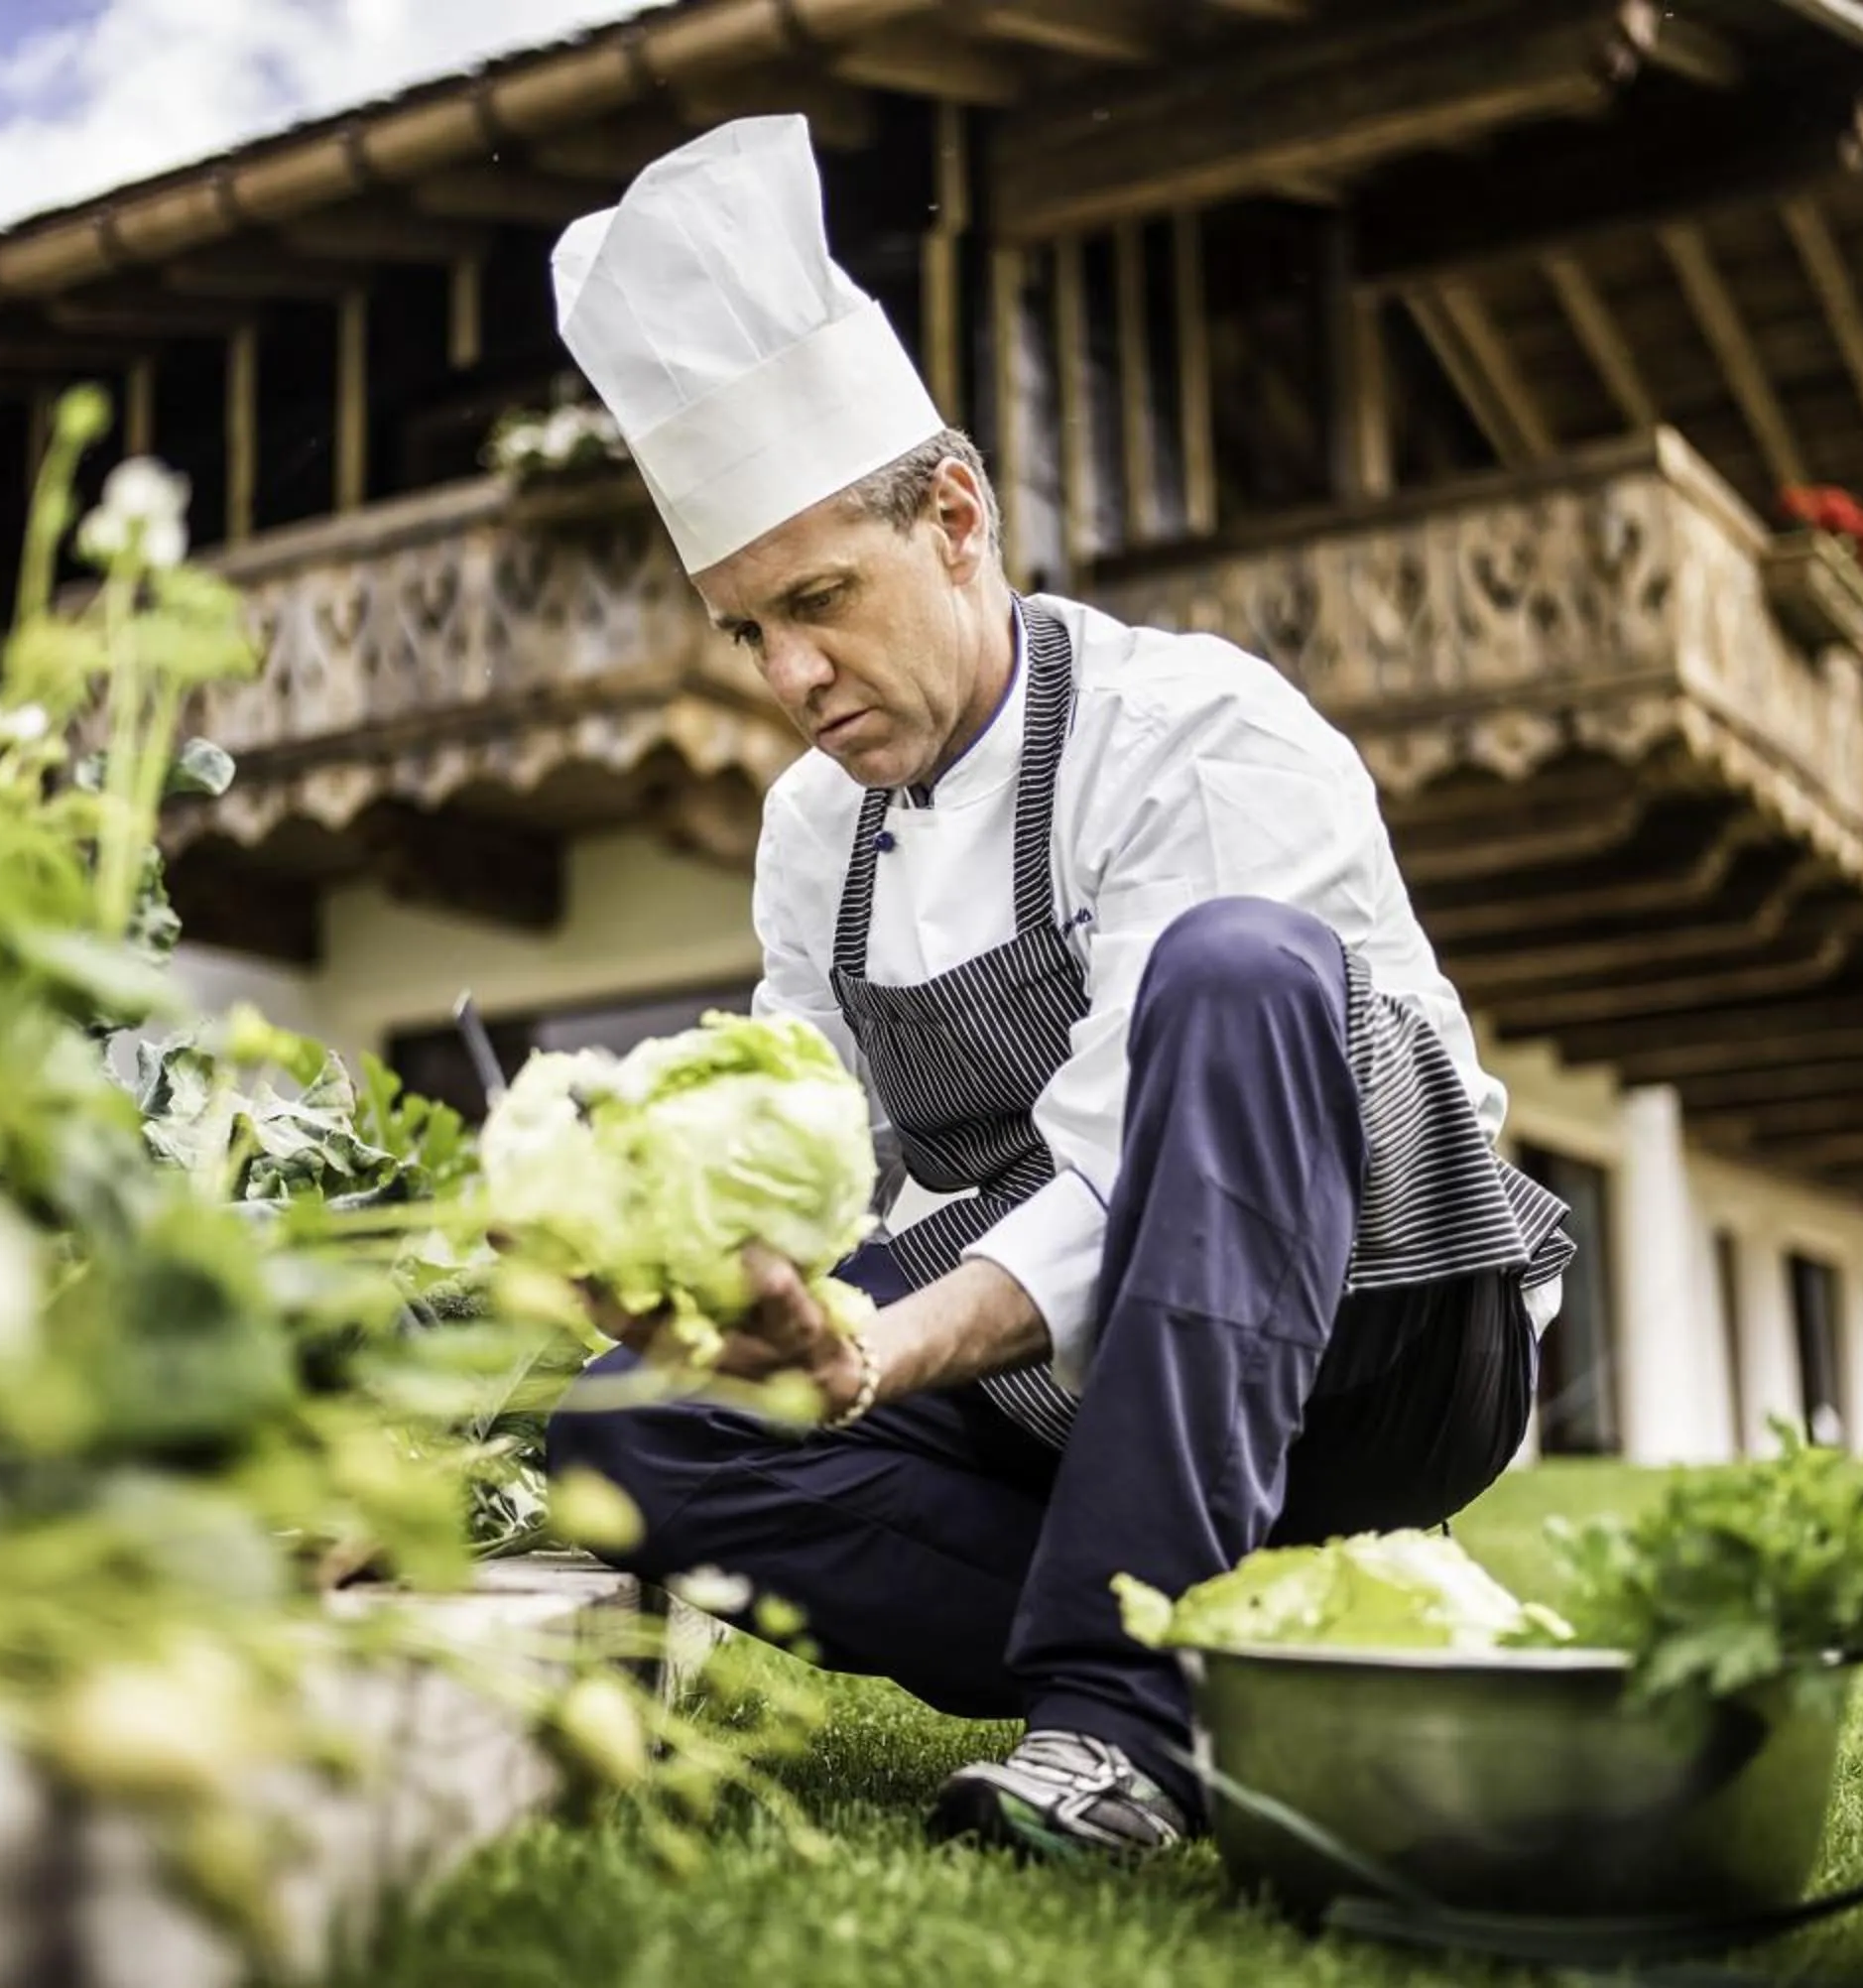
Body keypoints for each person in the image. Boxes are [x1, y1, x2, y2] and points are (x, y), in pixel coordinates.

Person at [540, 116, 1571, 1860]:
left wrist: (880, 1345)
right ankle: (1256, 1680)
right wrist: (665, 1247)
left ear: (954, 518)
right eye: (746, 634)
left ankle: (1119, 1725)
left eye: (819, 601)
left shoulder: (1197, 730)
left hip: (1380, 1348)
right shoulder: (814, 835)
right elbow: (806, 1143)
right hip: (1069, 1395)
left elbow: (1117, 1172)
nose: (791, 675)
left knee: (1240, 977)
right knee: (629, 1433)